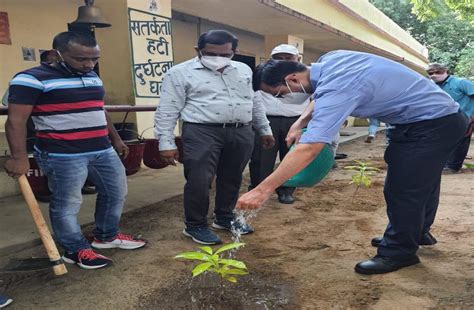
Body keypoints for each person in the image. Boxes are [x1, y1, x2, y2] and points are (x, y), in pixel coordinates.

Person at [236, 50, 468, 275]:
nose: (284, 97)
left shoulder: (337, 88)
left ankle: (398, 251)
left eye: (279, 93)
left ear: (292, 78)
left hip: (430, 126)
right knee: (422, 183)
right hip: (440, 119)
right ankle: (415, 233)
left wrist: (262, 189)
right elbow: (320, 95)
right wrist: (301, 121)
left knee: (404, 189)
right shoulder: (330, 60)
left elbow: (310, 147)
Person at [4, 31, 146, 270]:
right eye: (81, 59)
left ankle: (106, 236)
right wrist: (19, 157)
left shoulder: (91, 76)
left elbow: (99, 110)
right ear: (56, 54)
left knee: (116, 192)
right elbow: (16, 121)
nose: (89, 64)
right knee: (67, 203)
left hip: (101, 149)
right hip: (62, 154)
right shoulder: (30, 79)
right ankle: (74, 249)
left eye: (94, 59)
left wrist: (116, 138)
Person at [154, 30, 274, 245]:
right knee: (199, 180)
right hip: (202, 131)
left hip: (241, 130)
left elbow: (254, 101)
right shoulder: (179, 72)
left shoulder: (244, 70)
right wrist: (166, 141)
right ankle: (195, 225)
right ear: (197, 50)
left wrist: (264, 129)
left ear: (234, 52)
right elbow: (168, 109)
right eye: (210, 53)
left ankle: (225, 217)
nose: (218, 59)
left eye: (225, 54)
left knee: (232, 176)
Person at [249, 44, 310, 204]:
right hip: (267, 119)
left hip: (296, 120)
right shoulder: (262, 73)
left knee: (291, 157)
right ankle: (257, 189)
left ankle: (286, 190)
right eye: (278, 58)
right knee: (261, 159)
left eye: (288, 58)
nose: (283, 61)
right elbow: (255, 98)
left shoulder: (307, 74)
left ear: (298, 59)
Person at [426, 63, 474, 173]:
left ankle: (453, 167)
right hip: (448, 118)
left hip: (467, 116)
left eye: (437, 72)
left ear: (446, 71)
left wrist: (472, 116)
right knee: (448, 141)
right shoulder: (433, 87)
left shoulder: (460, 82)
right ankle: (447, 164)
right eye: (430, 73)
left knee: (461, 141)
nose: (434, 75)